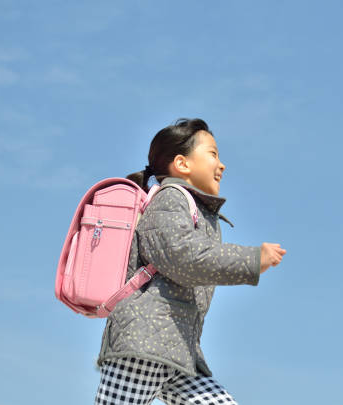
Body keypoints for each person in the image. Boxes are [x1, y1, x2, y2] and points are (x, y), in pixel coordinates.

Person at [95, 118, 286, 405]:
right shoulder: (170, 199)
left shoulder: (193, 207)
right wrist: (251, 259)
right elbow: (185, 257)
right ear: (182, 164)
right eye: (213, 154)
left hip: (179, 351)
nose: (221, 165)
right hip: (144, 345)